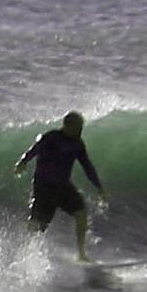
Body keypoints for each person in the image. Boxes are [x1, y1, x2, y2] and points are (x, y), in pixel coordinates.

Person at [14, 111, 108, 262]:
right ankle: (24, 252)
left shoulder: (78, 144)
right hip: (44, 186)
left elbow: (87, 166)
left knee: (81, 213)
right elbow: (34, 150)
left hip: (63, 186)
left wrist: (99, 186)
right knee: (39, 223)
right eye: (78, 127)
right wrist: (23, 162)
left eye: (81, 128)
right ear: (68, 126)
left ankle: (81, 254)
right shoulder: (51, 137)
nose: (80, 131)